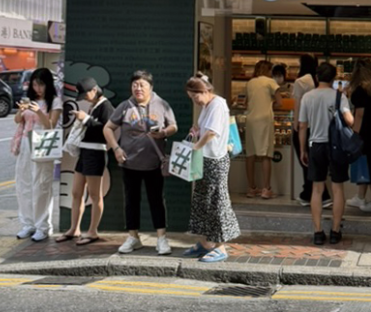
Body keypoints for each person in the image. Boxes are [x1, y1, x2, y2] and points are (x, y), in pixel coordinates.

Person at [103, 69, 178, 255]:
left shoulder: (162, 104)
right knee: (131, 201)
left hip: (154, 162)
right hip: (129, 163)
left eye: (142, 85)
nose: (138, 88)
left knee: (156, 200)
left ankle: (161, 238)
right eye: (135, 85)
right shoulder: (125, 106)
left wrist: (163, 133)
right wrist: (116, 148)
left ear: (150, 87)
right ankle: (133, 237)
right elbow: (108, 128)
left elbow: (174, 126)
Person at [181, 73, 241, 263]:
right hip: (205, 159)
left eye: (195, 96)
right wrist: (196, 132)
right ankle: (207, 243)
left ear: (205, 91)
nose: (195, 101)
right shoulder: (207, 106)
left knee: (217, 201)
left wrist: (196, 147)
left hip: (215, 160)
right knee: (204, 200)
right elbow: (204, 130)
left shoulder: (218, 105)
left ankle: (220, 246)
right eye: (192, 98)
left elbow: (212, 132)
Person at [298, 62, 353, 245]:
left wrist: (303, 149)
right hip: (336, 146)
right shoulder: (339, 96)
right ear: (333, 78)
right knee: (337, 189)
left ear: (316, 77)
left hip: (316, 145)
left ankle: (318, 231)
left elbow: (302, 125)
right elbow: (350, 121)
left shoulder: (307, 97)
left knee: (317, 189)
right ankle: (335, 231)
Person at [55, 77, 114, 245]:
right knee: (76, 192)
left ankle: (93, 231)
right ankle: (74, 228)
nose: (85, 99)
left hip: (96, 152)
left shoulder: (106, 106)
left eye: (86, 95)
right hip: (84, 151)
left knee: (95, 195)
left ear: (94, 90)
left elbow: (106, 129)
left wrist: (86, 119)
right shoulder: (94, 105)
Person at [11, 67, 63, 242]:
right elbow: (17, 120)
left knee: (41, 184)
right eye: (34, 85)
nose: (37, 88)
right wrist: (21, 110)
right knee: (23, 183)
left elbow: (51, 125)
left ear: (48, 84)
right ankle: (28, 223)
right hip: (26, 143)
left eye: (41, 84)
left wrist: (38, 111)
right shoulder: (30, 99)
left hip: (43, 142)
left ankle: (43, 226)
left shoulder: (55, 101)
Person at [345, 59, 371, 214]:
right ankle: (360, 197)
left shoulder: (360, 91)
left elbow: (359, 114)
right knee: (370, 164)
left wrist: (355, 134)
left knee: (367, 165)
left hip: (365, 132)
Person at [291, 55, 330, 208]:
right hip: (318, 126)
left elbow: (297, 105)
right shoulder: (316, 81)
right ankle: (310, 193)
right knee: (314, 161)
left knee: (305, 161)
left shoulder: (301, 81)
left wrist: (296, 125)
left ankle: (320, 195)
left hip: (304, 126)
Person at [244, 59, 283, 199]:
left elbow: (246, 103)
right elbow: (280, 102)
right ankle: (266, 189)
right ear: (268, 70)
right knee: (266, 154)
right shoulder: (270, 82)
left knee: (250, 154)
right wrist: (270, 105)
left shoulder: (250, 82)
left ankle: (251, 188)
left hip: (250, 120)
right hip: (265, 120)